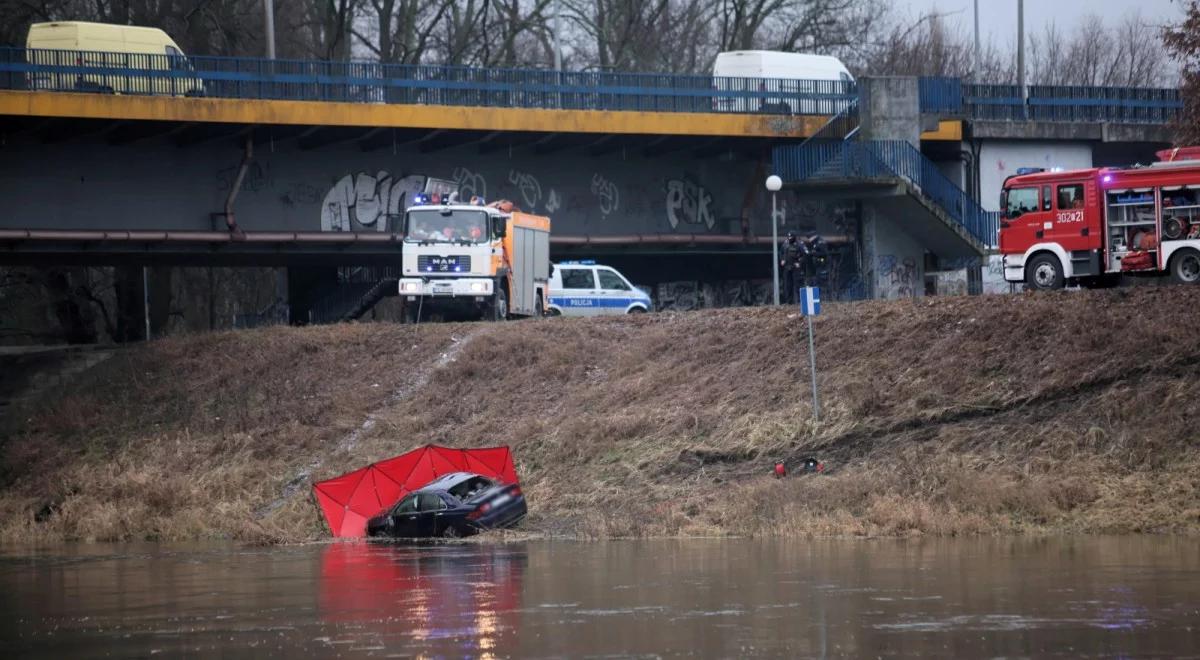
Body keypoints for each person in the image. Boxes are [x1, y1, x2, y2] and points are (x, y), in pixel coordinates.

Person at [779, 231, 804, 304]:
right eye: (788, 237)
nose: (790, 238)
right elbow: (781, 253)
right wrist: (782, 260)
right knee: (788, 285)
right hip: (787, 267)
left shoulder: (799, 245)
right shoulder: (785, 244)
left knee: (797, 284)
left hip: (795, 267)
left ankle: (799, 301)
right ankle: (789, 301)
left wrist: (799, 263)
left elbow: (803, 255)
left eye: (791, 237)